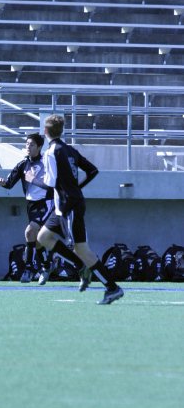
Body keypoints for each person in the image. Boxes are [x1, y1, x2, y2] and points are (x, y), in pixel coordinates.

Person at [36, 114, 124, 305]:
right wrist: (77, 188)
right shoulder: (69, 150)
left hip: (69, 205)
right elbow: (92, 170)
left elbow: (50, 182)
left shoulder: (51, 152)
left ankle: (112, 287)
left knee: (81, 248)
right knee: (43, 237)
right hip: (62, 206)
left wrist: (33, 179)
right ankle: (79, 265)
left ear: (45, 131)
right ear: (62, 130)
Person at [0, 133, 55, 284]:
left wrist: (33, 180)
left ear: (40, 147)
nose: (28, 147)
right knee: (36, 240)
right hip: (31, 205)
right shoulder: (23, 164)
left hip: (46, 202)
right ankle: (46, 266)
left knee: (29, 232)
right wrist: (3, 183)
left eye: (32, 144)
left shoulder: (47, 163)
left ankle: (28, 269)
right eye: (27, 144)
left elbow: (52, 187)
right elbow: (10, 183)